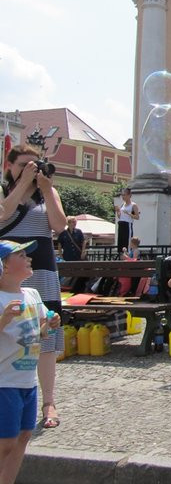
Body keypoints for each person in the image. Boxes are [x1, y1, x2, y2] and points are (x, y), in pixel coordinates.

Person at [0, 144, 67, 430]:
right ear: (9, 167)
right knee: (8, 330)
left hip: (41, 271)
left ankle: (48, 401)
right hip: (6, 271)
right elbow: (2, 214)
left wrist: (47, 189)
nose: (30, 169)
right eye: (23, 165)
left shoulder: (48, 192)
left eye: (34, 165)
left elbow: (60, 226)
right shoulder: (4, 192)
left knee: (45, 333)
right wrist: (23, 183)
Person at [0, 239, 61, 484]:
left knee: (24, 436)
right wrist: (4, 319)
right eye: (22, 255)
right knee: (5, 442)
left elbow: (38, 333)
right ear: (3, 266)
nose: (30, 259)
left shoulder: (32, 295)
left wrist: (50, 325)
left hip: (27, 381)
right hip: (4, 382)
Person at [114, 188, 139, 256]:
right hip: (121, 225)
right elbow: (120, 217)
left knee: (127, 244)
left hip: (127, 225)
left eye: (124, 195)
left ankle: (128, 259)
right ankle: (121, 259)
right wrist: (118, 211)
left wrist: (129, 213)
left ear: (129, 195)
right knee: (121, 245)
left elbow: (137, 217)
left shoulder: (133, 205)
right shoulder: (122, 205)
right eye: (122, 195)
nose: (123, 196)